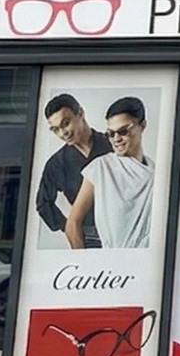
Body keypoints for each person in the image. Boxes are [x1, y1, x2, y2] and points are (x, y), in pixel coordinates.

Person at [66, 98, 154, 249]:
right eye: (111, 134)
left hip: (148, 258)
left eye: (123, 131)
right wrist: (82, 261)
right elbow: (72, 224)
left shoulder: (156, 173)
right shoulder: (100, 167)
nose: (116, 139)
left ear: (142, 126)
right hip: (112, 259)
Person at [35, 94, 110, 245]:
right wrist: (69, 227)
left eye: (66, 123)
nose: (63, 133)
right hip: (89, 237)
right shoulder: (56, 164)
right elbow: (43, 204)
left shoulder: (113, 144)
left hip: (125, 230)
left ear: (80, 113)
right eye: (55, 130)